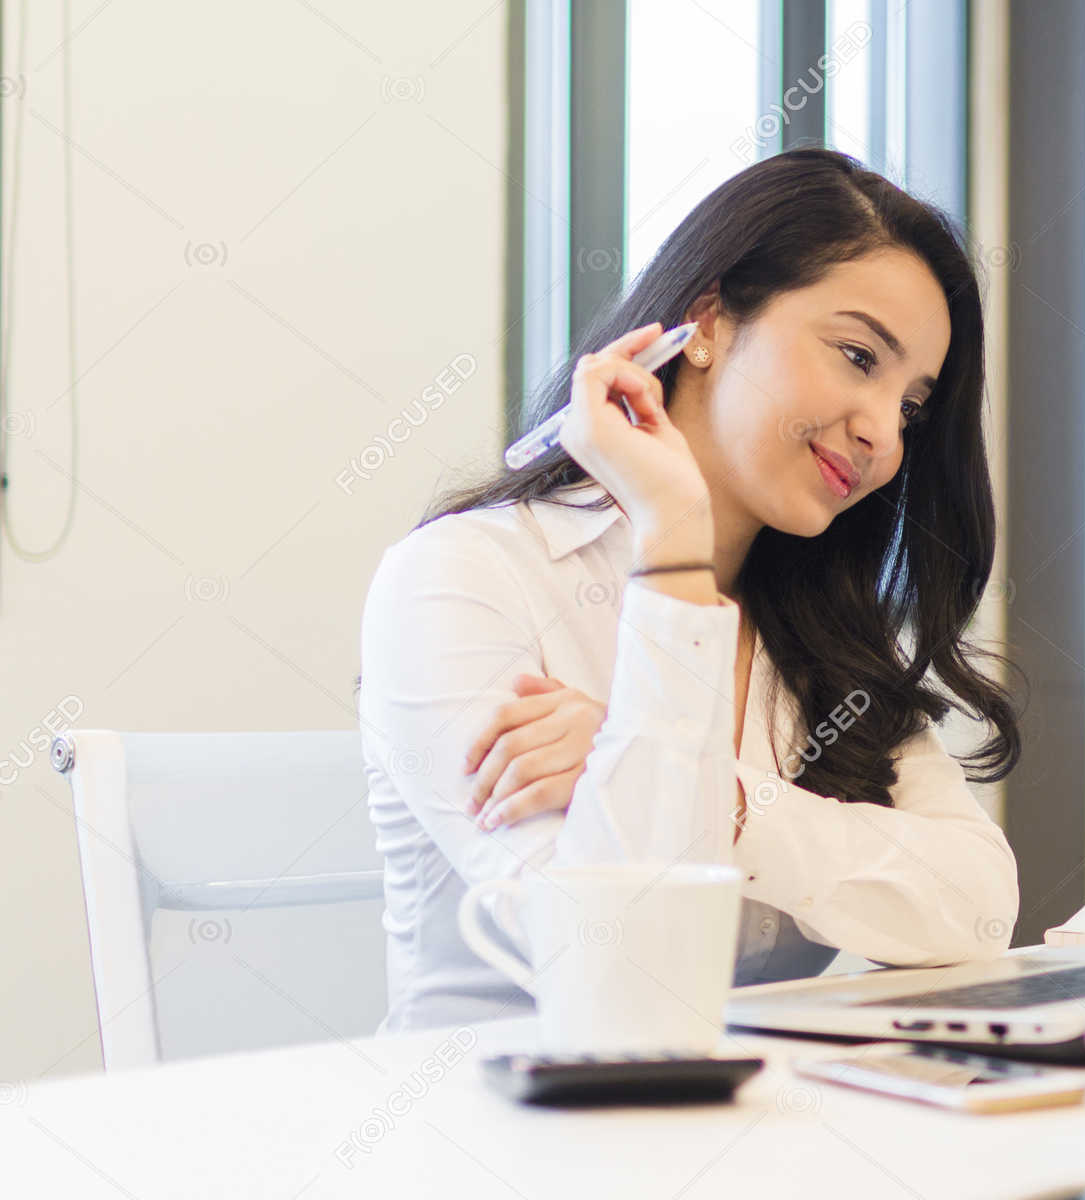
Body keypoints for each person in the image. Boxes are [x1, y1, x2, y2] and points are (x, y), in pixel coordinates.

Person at [357, 148, 1023, 1033]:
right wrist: (672, 540)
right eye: (859, 356)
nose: (883, 438)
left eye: (910, 407)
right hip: (505, 1141)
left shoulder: (822, 636)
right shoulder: (464, 578)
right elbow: (615, 969)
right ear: (705, 322)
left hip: (753, 1127)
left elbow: (977, 906)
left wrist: (722, 793)